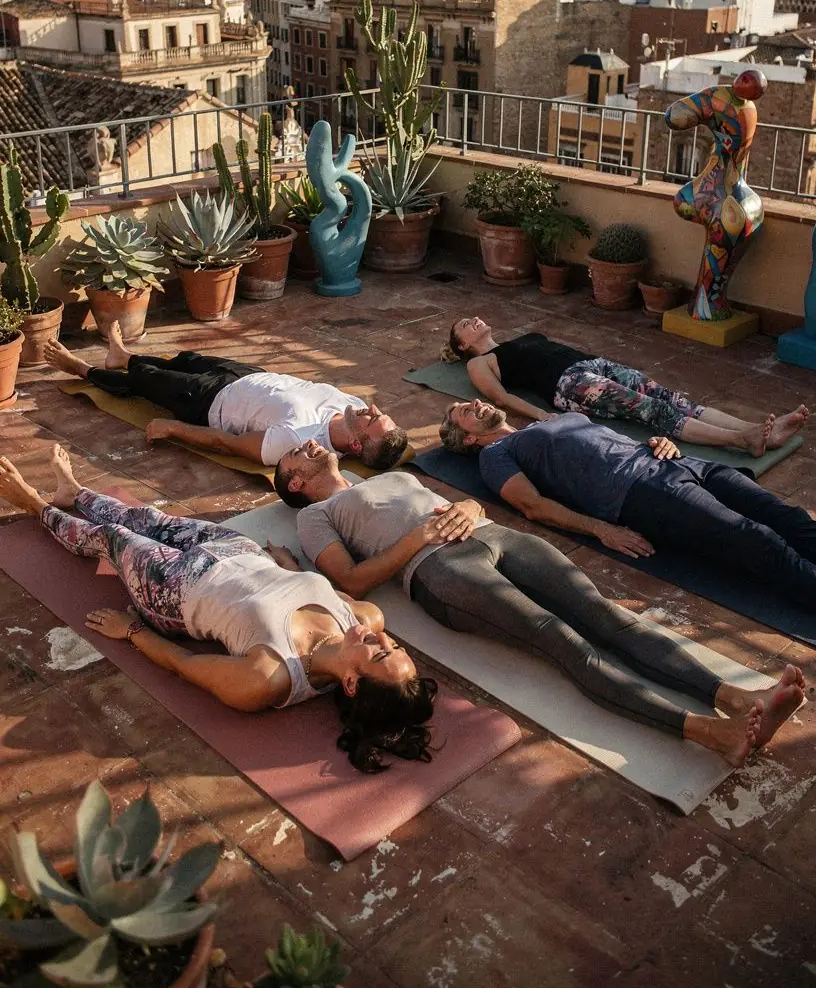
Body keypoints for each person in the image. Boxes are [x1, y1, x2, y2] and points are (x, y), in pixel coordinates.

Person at [271, 440, 807, 768]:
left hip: (490, 533)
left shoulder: (389, 475)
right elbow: (353, 580)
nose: (313, 446)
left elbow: (457, 501)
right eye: (300, 453)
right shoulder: (315, 515)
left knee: (606, 615)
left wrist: (465, 504)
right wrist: (422, 538)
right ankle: (709, 732)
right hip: (438, 571)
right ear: (294, 482)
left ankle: (733, 698)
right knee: (560, 638)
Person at [0, 450, 436, 774]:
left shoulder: (267, 678)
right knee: (147, 517)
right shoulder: (366, 619)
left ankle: (36, 505)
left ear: (352, 684)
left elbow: (184, 663)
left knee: (114, 537)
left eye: (379, 653)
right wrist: (288, 567)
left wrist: (131, 630)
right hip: (237, 551)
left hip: (176, 590)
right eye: (392, 643)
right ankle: (75, 493)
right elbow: (318, 589)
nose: (381, 636)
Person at [438, 399, 816, 605]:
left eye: (471, 402)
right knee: (754, 537)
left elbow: (608, 441)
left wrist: (655, 442)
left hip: (673, 460)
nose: (475, 403)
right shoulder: (496, 455)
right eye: (465, 413)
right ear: (468, 439)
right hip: (641, 492)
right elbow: (533, 505)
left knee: (784, 515)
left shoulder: (542, 422)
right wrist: (602, 529)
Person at [44, 321, 408, 470]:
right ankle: (122, 357)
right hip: (249, 376)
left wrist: (173, 429)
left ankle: (82, 370)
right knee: (185, 359)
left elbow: (227, 443)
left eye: (374, 420)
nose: (372, 409)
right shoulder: (353, 408)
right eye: (379, 413)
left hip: (209, 401)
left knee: (147, 380)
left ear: (356, 446)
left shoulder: (298, 442)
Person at [446, 317, 808, 456]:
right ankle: (741, 439)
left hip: (592, 363)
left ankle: (761, 431)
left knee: (671, 396)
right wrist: (541, 413)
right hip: (569, 385)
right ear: (462, 346)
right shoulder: (480, 362)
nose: (475, 320)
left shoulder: (520, 337)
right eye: (466, 324)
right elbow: (501, 397)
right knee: (651, 409)